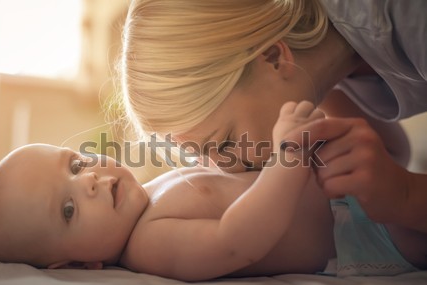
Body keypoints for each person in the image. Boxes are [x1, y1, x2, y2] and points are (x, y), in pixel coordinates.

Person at [0, 102, 425, 281]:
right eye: (69, 209)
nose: (88, 179)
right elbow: (238, 241)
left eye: (75, 165)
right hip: (359, 232)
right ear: (77, 263)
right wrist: (287, 156)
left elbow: (223, 183)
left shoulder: (148, 193)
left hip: (337, 185)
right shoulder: (148, 245)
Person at [120, 0, 427, 233]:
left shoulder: (407, 18)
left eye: (225, 143)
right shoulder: (322, 78)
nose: (228, 171)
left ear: (274, 57)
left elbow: (396, 183)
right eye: (201, 157)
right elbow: (389, 158)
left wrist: (406, 193)